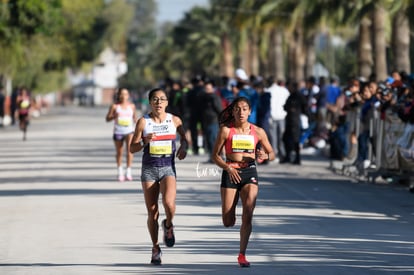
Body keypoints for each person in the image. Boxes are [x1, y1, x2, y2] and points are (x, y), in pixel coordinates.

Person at [211, 96, 275, 267]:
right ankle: (230, 218)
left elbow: (272, 153)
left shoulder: (258, 131)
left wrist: (265, 155)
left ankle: (242, 254)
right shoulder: (226, 130)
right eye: (237, 109)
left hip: (249, 171)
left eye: (244, 109)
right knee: (228, 221)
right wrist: (228, 168)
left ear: (250, 112)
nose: (241, 112)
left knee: (248, 212)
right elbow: (215, 156)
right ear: (232, 111)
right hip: (230, 171)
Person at [130, 88, 188, 265]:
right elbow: (132, 148)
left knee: (169, 204)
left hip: (167, 168)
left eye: (162, 99)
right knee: (152, 211)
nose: (158, 102)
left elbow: (185, 138)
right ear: (150, 102)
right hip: (149, 169)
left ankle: (169, 224)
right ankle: (155, 248)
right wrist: (144, 142)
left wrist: (184, 146)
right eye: (155, 99)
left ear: (167, 103)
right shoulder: (143, 122)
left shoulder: (175, 120)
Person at [106, 88, 138, 182]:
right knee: (119, 152)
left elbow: (135, 118)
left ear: (128, 96)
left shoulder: (132, 106)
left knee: (129, 151)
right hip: (118, 131)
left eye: (126, 94)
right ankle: (120, 170)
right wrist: (113, 116)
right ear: (119, 95)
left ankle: (128, 171)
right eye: (122, 94)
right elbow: (107, 118)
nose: (124, 96)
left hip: (129, 131)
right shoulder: (115, 106)